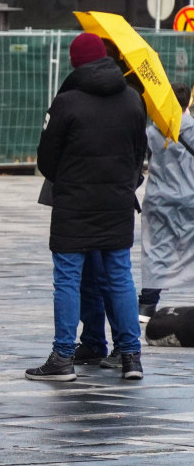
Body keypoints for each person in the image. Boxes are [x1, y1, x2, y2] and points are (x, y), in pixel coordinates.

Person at [26, 32, 147, 382]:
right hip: (116, 204)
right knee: (120, 278)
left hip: (74, 207)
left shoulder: (67, 102)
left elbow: (46, 160)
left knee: (67, 280)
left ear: (75, 62)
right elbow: (139, 155)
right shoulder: (132, 99)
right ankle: (130, 356)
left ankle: (63, 357)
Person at [139, 81, 194, 321]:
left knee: (156, 251)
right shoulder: (191, 128)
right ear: (188, 102)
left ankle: (147, 305)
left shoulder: (152, 131)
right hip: (190, 198)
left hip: (158, 199)